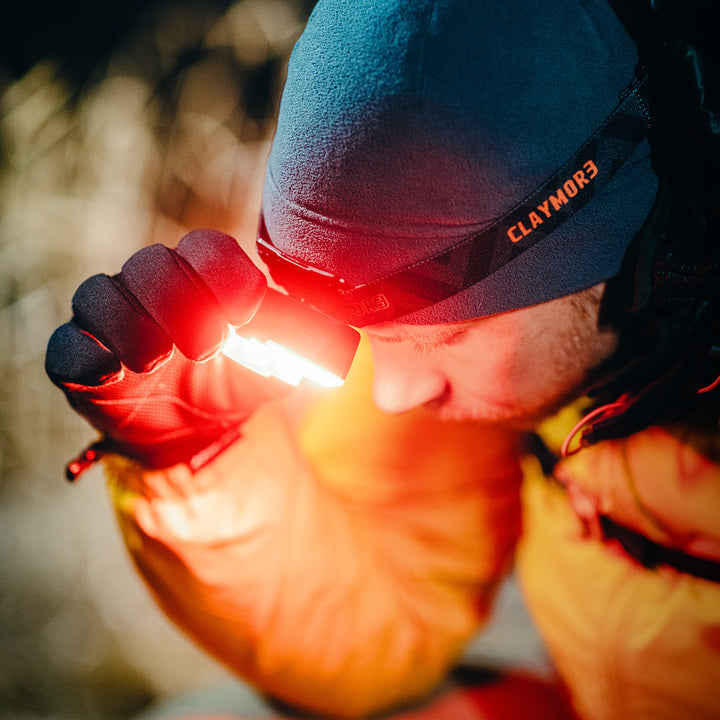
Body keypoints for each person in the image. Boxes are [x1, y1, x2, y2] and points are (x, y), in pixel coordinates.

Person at [45, 0, 720, 718]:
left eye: (441, 337)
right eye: (374, 338)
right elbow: (384, 630)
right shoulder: (521, 350)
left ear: (620, 247)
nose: (391, 393)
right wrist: (194, 462)